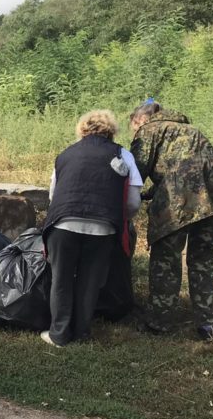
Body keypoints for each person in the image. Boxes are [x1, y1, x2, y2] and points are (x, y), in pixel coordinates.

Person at [129, 102, 213, 341]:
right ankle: (206, 325)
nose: (133, 133)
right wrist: (151, 193)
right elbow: (184, 169)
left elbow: (136, 172)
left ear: (140, 120)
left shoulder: (150, 130)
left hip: (179, 201)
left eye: (132, 128)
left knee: (166, 259)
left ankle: (159, 322)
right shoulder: (190, 131)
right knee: (202, 259)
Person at [40, 110, 143, 348]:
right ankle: (82, 332)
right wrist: (120, 218)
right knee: (90, 280)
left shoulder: (66, 154)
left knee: (61, 279)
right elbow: (133, 202)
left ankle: (58, 334)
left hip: (63, 223)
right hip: (103, 228)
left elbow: (54, 195)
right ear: (112, 131)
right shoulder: (123, 155)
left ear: (82, 130)